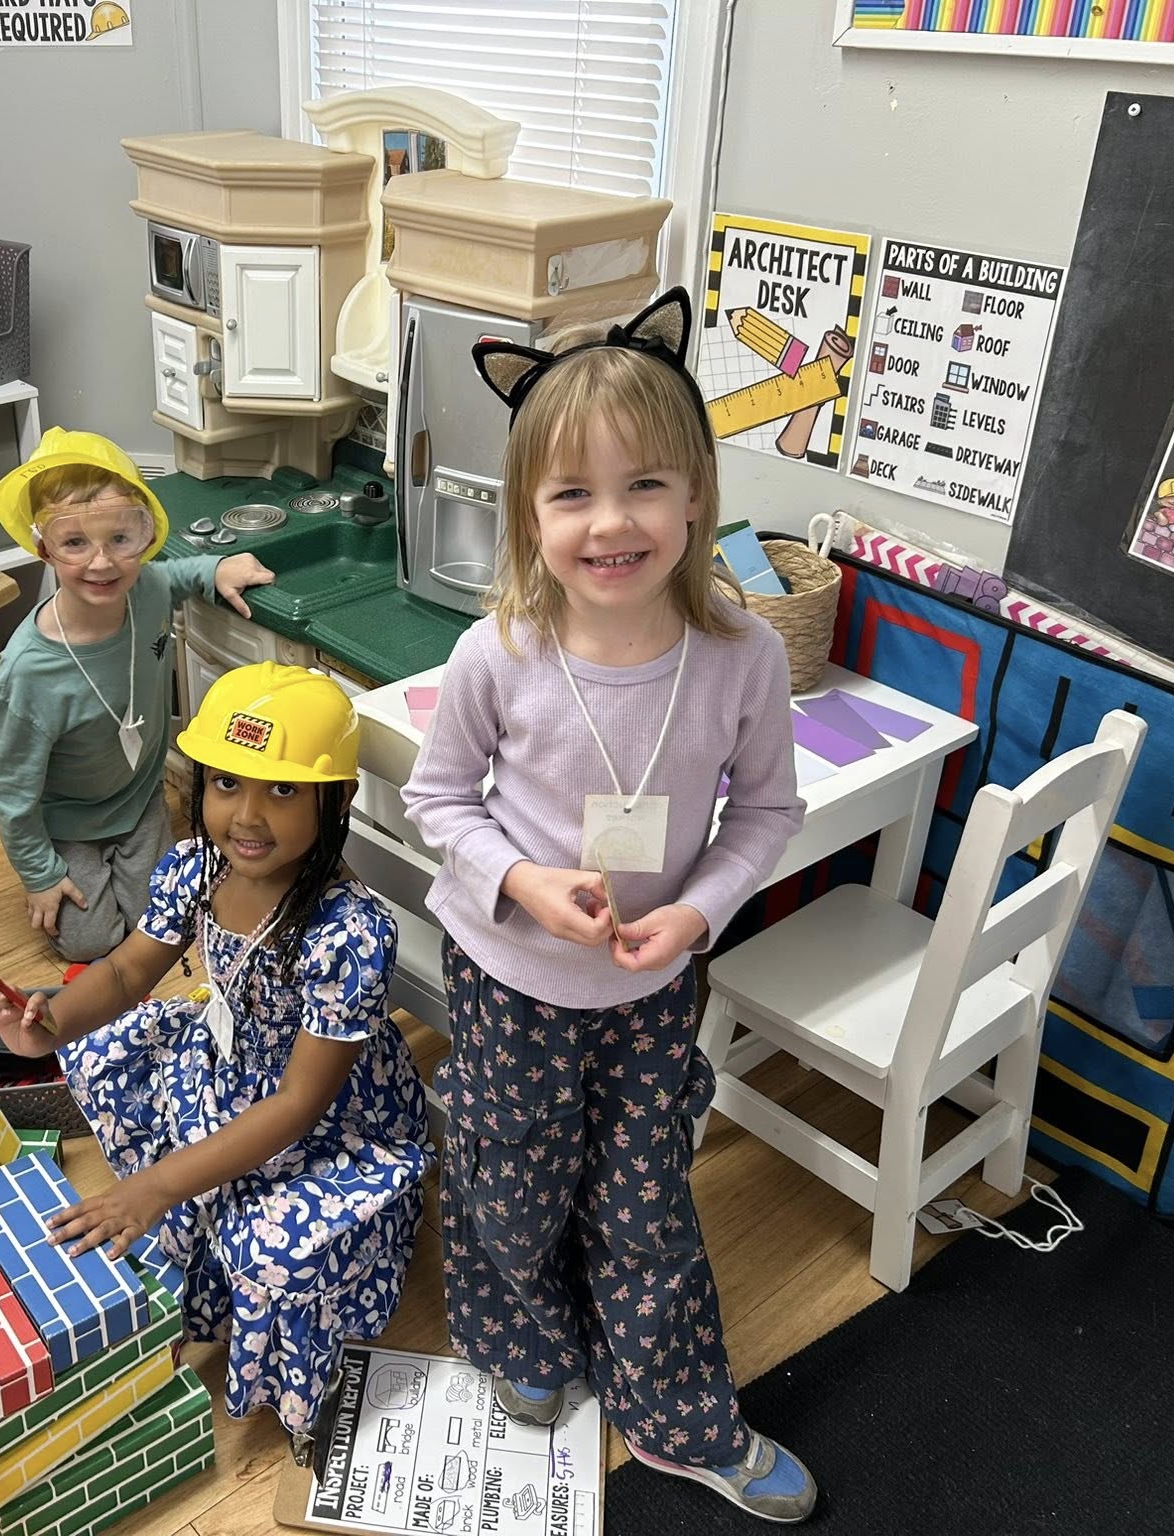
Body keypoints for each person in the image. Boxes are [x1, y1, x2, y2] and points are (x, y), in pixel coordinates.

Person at [400, 289, 815, 1522]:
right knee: (507, 1176)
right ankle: (519, 1342)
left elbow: (764, 816)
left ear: (696, 496)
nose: (610, 522)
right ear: (529, 515)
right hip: (512, 976)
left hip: (652, 984)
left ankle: (679, 1414)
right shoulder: (500, 652)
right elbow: (437, 799)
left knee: (644, 1201)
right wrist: (521, 880)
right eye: (570, 495)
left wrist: (696, 913)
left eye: (643, 486)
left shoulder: (743, 654)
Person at [0, 663, 429, 1462]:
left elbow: (297, 1107)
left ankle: (301, 1367)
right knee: (105, 1051)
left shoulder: (347, 931)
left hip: (330, 1120)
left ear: (337, 801)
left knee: (272, 1248)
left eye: (283, 791)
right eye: (227, 783)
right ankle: (200, 1242)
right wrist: (47, 1024)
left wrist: (153, 1186)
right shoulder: (195, 868)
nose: (247, 816)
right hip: (227, 1068)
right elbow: (123, 974)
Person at [0, 429, 274, 961]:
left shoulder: (144, 590)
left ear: (144, 534)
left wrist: (215, 569)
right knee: (88, 945)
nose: (102, 563)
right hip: (67, 821)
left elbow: (174, 576)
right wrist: (39, 875)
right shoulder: (27, 675)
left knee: (166, 921)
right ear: (42, 547)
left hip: (141, 802)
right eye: (74, 543)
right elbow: (13, 793)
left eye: (121, 538)